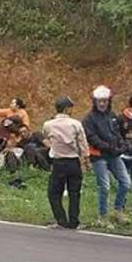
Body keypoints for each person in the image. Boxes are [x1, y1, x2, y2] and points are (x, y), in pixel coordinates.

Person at [83, 85, 131, 224]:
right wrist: (109, 147)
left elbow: (117, 133)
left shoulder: (112, 115)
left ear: (109, 101)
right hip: (99, 156)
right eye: (99, 101)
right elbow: (92, 138)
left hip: (114, 155)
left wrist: (122, 145)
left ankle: (117, 211)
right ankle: (102, 216)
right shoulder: (89, 119)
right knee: (105, 187)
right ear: (95, 101)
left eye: (105, 101)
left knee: (126, 183)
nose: (102, 104)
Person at [43, 96, 89, 229]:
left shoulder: (48, 124)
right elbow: (83, 145)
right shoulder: (76, 124)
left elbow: (46, 138)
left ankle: (61, 220)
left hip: (58, 162)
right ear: (67, 109)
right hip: (73, 162)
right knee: (74, 192)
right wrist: (86, 161)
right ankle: (74, 221)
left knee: (54, 193)